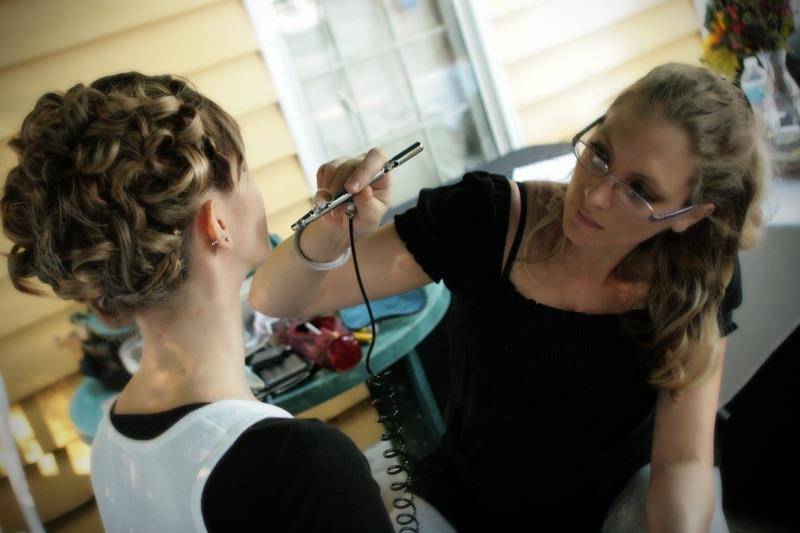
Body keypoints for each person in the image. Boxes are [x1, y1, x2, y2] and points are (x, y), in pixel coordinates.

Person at [248, 63, 768, 532]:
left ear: (690, 214)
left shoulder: (699, 275)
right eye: (601, 153)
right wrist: (332, 229)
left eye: (640, 190)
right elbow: (275, 297)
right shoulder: (489, 219)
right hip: (470, 500)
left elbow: (683, 460)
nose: (594, 193)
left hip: (620, 501)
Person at [0, 72, 394, 532]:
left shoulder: (111, 442)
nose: (254, 187)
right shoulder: (299, 465)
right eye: (245, 171)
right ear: (217, 224)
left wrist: (330, 236)